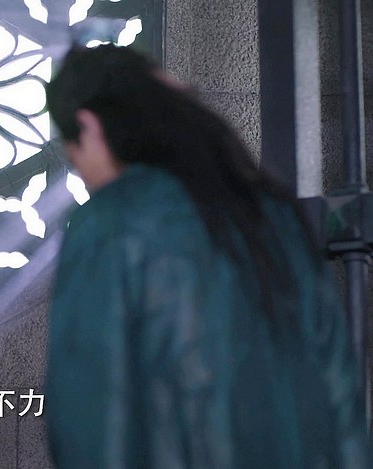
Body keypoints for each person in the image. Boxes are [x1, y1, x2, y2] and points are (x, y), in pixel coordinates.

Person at [44, 44, 370, 468]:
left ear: (88, 125)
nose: (86, 180)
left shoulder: (110, 221)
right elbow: (342, 401)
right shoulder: (274, 215)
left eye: (77, 161)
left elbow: (92, 421)